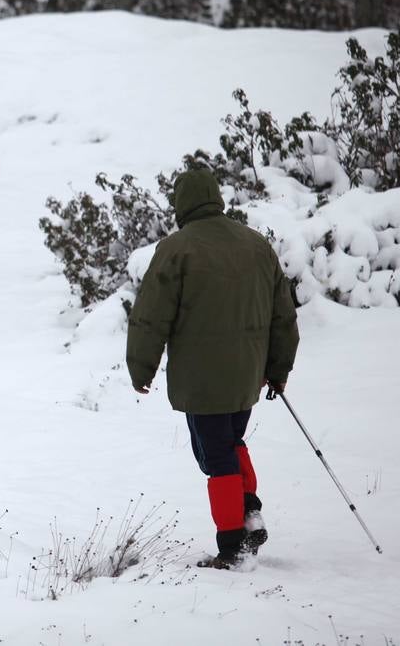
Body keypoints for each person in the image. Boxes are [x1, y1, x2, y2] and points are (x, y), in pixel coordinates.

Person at [126, 168, 300, 569]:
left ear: (181, 203)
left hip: (201, 379)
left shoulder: (177, 249)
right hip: (246, 377)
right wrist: (278, 368)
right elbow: (283, 316)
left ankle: (232, 546)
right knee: (231, 443)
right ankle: (249, 511)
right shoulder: (256, 245)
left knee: (215, 456)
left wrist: (142, 369)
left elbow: (150, 317)